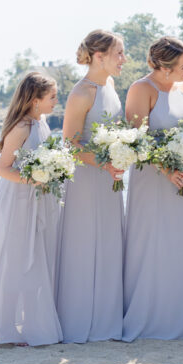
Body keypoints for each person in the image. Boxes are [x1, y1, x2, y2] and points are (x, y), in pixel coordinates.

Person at [0, 71, 63, 346]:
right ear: (35, 100)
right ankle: (6, 329)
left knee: (36, 260)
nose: (57, 101)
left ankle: (30, 322)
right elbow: (3, 169)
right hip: (19, 201)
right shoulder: (21, 128)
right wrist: (35, 178)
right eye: (52, 96)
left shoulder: (41, 122)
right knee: (17, 261)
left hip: (41, 199)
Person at [122, 36, 183, 342]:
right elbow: (136, 138)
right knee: (151, 241)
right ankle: (148, 316)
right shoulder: (142, 89)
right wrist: (166, 169)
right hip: (152, 178)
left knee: (179, 243)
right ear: (165, 67)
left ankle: (179, 314)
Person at [57, 29, 126, 343]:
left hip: (109, 177)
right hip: (86, 178)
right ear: (99, 57)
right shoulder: (82, 93)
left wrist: (124, 153)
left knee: (109, 243)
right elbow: (69, 145)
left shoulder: (110, 85)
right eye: (119, 54)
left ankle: (105, 319)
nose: (123, 60)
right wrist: (105, 162)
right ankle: (79, 320)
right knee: (85, 244)